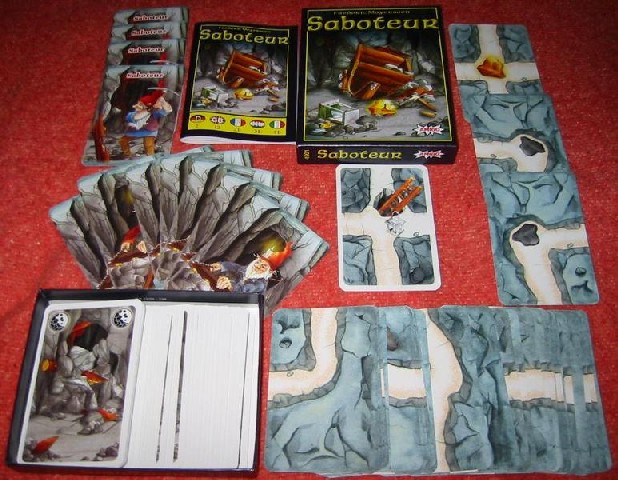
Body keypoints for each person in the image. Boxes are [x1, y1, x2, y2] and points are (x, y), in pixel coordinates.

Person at [119, 89, 172, 158]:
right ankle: (127, 155)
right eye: (139, 104)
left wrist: (162, 101)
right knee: (122, 140)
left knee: (149, 146)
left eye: (141, 104)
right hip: (135, 132)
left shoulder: (154, 112)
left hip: (149, 132)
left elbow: (168, 110)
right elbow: (135, 117)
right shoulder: (133, 113)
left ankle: (150, 158)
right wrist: (149, 109)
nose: (139, 105)